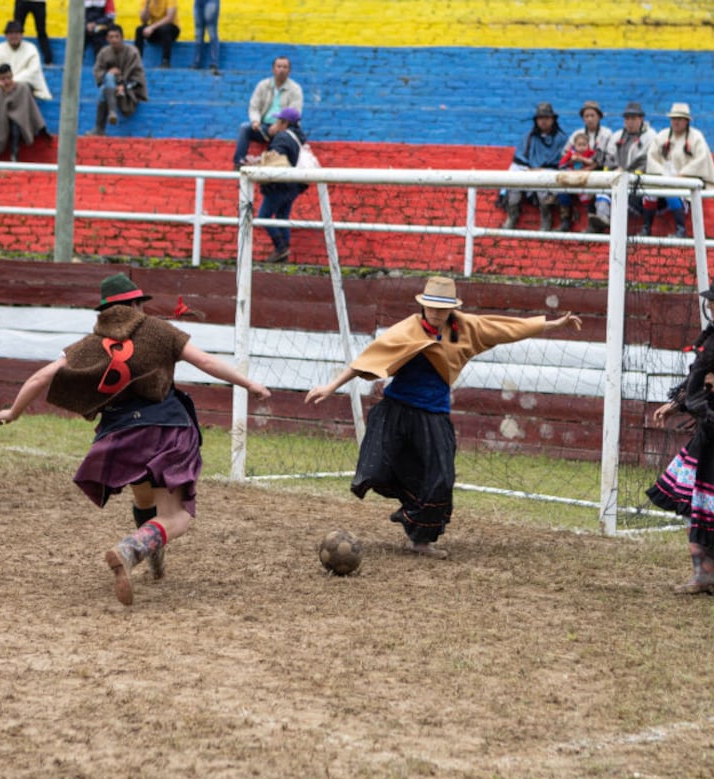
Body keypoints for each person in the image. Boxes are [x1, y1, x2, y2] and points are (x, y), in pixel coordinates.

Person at [0, 273, 272, 607]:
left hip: (121, 436)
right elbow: (206, 361)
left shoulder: (89, 345)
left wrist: (14, 412)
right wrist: (249, 384)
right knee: (177, 516)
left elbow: (42, 376)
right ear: (137, 305)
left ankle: (153, 553)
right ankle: (133, 548)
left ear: (104, 311)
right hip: (166, 429)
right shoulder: (159, 330)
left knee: (143, 496)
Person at [304, 277, 583, 558]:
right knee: (376, 470)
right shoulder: (406, 329)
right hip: (396, 411)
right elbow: (366, 361)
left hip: (434, 416)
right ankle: (410, 510)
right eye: (430, 307)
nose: (435, 313)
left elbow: (506, 328)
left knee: (441, 479)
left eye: (442, 308)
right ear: (423, 306)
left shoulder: (466, 328)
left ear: (451, 308)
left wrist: (553, 324)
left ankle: (420, 540)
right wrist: (330, 387)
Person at [647, 268, 714, 594]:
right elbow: (699, 377)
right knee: (695, 499)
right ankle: (705, 571)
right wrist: (679, 403)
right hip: (708, 430)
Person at [642, 102, 714, 238]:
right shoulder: (662, 136)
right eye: (673, 119)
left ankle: (681, 230)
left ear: (687, 121)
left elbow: (700, 160)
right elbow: (652, 158)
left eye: (680, 119)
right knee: (649, 194)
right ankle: (646, 228)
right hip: (663, 179)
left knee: (672, 192)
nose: (676, 122)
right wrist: (663, 174)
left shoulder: (696, 138)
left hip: (685, 182)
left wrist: (682, 175)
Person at [589, 101, 656, 233]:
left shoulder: (651, 137)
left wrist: (626, 172)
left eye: (633, 118)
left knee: (628, 195)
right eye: (627, 118)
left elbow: (646, 160)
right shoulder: (617, 136)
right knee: (600, 189)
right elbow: (609, 158)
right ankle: (601, 219)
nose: (629, 122)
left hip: (639, 181)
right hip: (616, 177)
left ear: (641, 119)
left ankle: (617, 229)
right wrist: (615, 170)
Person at [501, 102, 568, 231]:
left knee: (542, 185)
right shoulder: (529, 137)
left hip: (551, 173)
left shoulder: (561, 139)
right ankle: (512, 215)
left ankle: (546, 217)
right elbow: (520, 159)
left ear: (553, 120)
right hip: (529, 170)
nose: (543, 121)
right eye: (540, 118)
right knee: (513, 182)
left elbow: (563, 162)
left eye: (547, 118)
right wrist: (528, 169)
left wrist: (543, 169)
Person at [251, 107, 306, 263]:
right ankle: (284, 252)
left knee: (263, 216)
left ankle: (280, 247)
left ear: (284, 122)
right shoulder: (298, 137)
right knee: (282, 217)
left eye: (278, 121)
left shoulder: (282, 137)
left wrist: (258, 163)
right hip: (294, 185)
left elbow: (275, 158)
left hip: (280, 185)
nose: (275, 123)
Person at [231, 56, 302, 168]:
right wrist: (255, 121)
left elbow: (294, 112)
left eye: (285, 67)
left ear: (289, 70)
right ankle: (238, 163)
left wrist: (279, 124)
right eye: (279, 66)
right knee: (245, 128)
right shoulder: (263, 85)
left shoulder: (295, 89)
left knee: (282, 137)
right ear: (273, 69)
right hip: (264, 128)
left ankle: (269, 166)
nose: (282, 70)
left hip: (285, 128)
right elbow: (254, 106)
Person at [555, 100, 611, 232]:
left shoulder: (606, 133)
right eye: (587, 116)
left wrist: (587, 169)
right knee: (561, 186)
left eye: (593, 115)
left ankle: (594, 224)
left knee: (594, 190)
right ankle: (565, 221)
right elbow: (565, 154)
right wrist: (571, 162)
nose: (590, 119)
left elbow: (602, 158)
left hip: (596, 171)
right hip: (576, 170)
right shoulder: (577, 134)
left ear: (599, 117)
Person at [0, 63, 48, 161]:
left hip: (18, 119)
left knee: (16, 123)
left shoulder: (21, 87)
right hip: (0, 119)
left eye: (9, 78)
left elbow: (26, 107)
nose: (7, 81)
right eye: (3, 79)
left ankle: (14, 155)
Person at [90, 24, 147, 135]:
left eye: (117, 36)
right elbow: (97, 71)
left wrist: (124, 86)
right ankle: (111, 112)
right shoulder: (104, 53)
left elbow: (138, 78)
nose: (114, 40)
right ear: (107, 39)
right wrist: (109, 74)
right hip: (111, 89)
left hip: (129, 91)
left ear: (122, 37)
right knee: (108, 79)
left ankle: (100, 128)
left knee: (103, 90)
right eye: (111, 37)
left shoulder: (132, 52)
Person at [0, 20, 53, 101]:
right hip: (0, 86)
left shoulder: (31, 49)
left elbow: (33, 71)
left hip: (22, 87)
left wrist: (12, 82)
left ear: (21, 35)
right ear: (6, 35)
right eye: (11, 33)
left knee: (23, 88)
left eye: (17, 33)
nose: (14, 36)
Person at [135, 0, 179, 68]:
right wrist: (146, 5)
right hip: (155, 29)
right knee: (139, 30)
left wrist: (152, 27)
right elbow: (144, 20)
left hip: (171, 28)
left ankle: (165, 61)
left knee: (165, 29)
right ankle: (136, 62)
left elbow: (170, 18)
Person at [12, 0, 54, 65]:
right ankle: (48, 60)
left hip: (37, 2)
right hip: (27, 2)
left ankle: (48, 60)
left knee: (41, 31)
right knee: (15, 31)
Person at [189, 0, 218, 72]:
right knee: (198, 34)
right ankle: (196, 62)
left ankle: (213, 63)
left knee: (212, 32)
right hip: (198, 2)